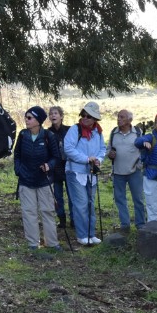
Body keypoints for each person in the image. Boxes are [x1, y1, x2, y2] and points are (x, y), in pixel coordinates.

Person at [13, 106, 61, 250]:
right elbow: (17, 156)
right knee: (29, 212)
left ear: (38, 121)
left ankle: (52, 243)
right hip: (26, 180)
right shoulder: (22, 135)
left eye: (29, 117)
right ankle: (33, 243)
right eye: (26, 117)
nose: (26, 120)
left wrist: (48, 166)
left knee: (47, 211)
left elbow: (56, 157)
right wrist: (19, 170)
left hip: (44, 180)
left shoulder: (48, 136)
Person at [64, 102, 106, 245]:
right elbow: (68, 149)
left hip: (91, 172)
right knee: (80, 203)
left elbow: (102, 149)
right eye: (84, 115)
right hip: (75, 171)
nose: (86, 118)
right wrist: (86, 159)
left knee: (90, 203)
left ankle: (91, 233)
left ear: (95, 119)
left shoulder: (98, 132)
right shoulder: (75, 130)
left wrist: (99, 160)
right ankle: (82, 235)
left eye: (89, 116)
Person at [108, 109, 145, 232]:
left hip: (134, 172)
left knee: (138, 199)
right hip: (118, 172)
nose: (118, 119)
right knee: (120, 199)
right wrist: (110, 154)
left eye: (122, 117)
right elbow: (108, 149)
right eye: (118, 117)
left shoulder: (138, 133)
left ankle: (140, 225)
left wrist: (139, 166)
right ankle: (125, 225)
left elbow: (143, 151)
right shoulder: (114, 133)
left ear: (129, 120)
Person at [47, 106, 72, 228]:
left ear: (61, 116)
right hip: (55, 168)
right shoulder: (48, 132)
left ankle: (74, 219)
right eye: (51, 114)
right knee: (57, 196)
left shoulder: (69, 130)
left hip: (69, 166)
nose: (53, 116)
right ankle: (62, 219)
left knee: (72, 195)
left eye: (56, 113)